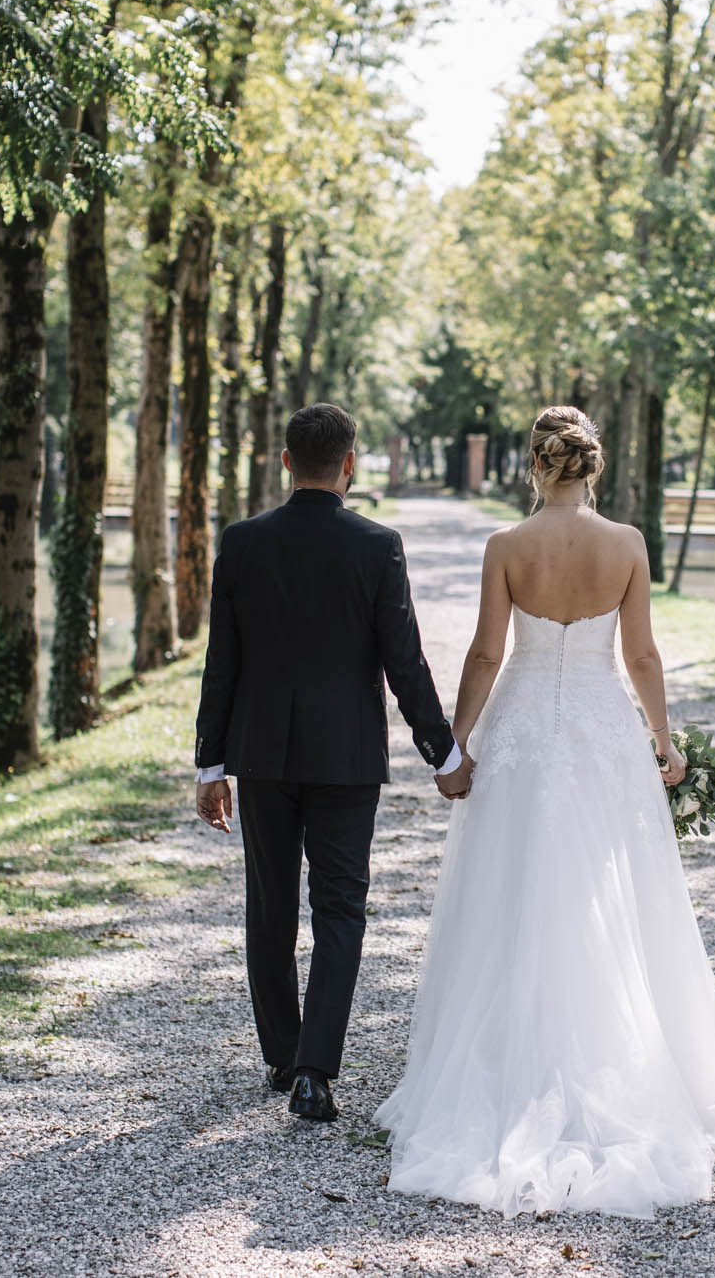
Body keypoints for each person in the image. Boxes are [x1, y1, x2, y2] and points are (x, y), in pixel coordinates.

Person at [374, 405, 715, 1218]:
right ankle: (611, 1062)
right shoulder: (625, 544)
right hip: (599, 737)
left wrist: (456, 744)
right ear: (592, 465)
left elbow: (487, 652)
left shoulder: (506, 547)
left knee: (509, 890)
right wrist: (665, 744)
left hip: (521, 732)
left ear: (536, 464)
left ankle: (503, 1061)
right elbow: (643, 654)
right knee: (609, 898)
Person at [193, 402, 475, 1123]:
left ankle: (283, 1053)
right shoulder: (376, 545)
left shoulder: (242, 542)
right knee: (340, 906)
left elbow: (221, 661)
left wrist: (209, 765)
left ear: (286, 462)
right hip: (347, 757)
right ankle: (315, 1073)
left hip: (259, 757)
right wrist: (442, 751)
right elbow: (404, 662)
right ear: (350, 464)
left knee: (271, 904)